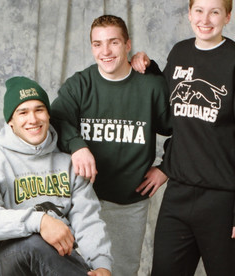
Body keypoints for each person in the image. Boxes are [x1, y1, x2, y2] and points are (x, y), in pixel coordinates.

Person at [130, 0, 235, 275]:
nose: (205, 20)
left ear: (228, 16)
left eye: (215, 12)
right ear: (189, 13)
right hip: (177, 196)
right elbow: (170, 116)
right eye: (199, 11)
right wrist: (148, 68)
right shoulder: (180, 53)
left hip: (222, 201)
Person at [48, 14, 173, 276]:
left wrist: (166, 167)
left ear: (128, 45)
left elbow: (185, 130)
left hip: (129, 202)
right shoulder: (80, 84)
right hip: (83, 199)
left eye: (113, 42)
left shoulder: (150, 86)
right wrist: (77, 144)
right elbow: (55, 118)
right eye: (97, 44)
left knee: (124, 270)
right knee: (80, 270)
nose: (105, 51)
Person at [0, 76, 112, 276]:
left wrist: (101, 265)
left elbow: (87, 220)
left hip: (62, 257)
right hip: (8, 258)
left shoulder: (68, 163)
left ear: (49, 115)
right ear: (11, 121)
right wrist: (39, 221)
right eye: (22, 112)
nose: (33, 119)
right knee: (34, 243)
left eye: (39, 110)